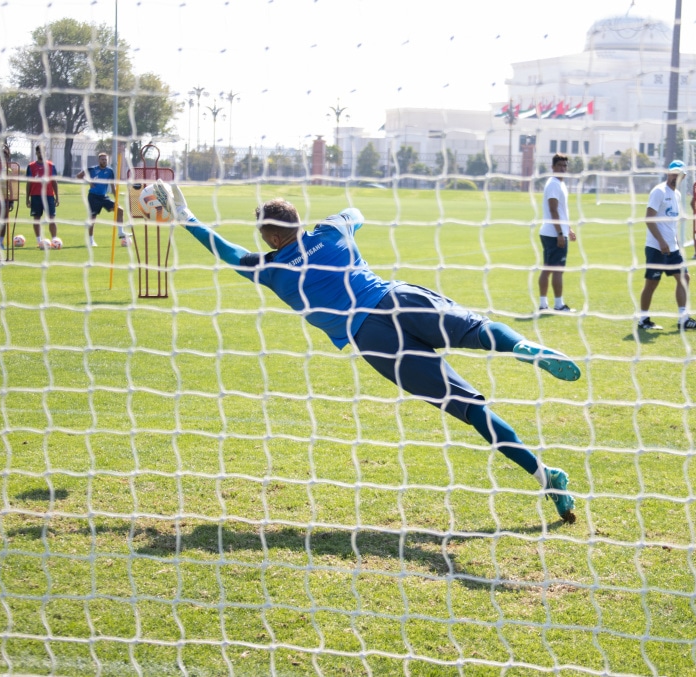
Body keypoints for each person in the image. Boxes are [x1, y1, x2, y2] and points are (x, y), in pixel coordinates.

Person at [153, 180, 581, 523]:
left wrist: (186, 217)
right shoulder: (329, 230)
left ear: (266, 235)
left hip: (374, 341)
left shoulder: (269, 269)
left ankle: (548, 477)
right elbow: (356, 213)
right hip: (395, 299)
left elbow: (225, 251)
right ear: (298, 223)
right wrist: (336, 223)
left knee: (470, 409)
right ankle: (525, 346)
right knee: (479, 328)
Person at [638, 160, 696, 332]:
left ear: (683, 176)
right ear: (668, 172)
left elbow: (671, 223)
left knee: (684, 278)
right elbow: (649, 218)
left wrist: (674, 242)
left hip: (672, 248)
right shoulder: (659, 191)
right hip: (656, 247)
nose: (675, 176)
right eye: (673, 173)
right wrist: (661, 241)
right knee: (652, 283)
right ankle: (643, 319)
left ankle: (683, 319)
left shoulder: (677, 195)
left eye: (679, 174)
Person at [537, 153, 576, 312]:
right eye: (560, 165)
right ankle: (558, 305)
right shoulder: (553, 184)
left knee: (548, 269)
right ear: (553, 167)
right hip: (553, 233)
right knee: (556, 270)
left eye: (565, 166)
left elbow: (561, 210)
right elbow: (553, 210)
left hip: (553, 231)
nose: (563, 168)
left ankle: (543, 304)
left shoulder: (560, 184)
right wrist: (560, 234)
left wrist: (568, 229)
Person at [75, 152, 124, 247]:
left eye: (105, 159)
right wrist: (88, 181)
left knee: (120, 210)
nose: (104, 161)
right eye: (102, 159)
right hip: (93, 197)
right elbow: (78, 176)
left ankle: (120, 232)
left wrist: (116, 199)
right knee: (93, 219)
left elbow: (113, 187)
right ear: (99, 160)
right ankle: (91, 240)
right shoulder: (92, 169)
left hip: (104, 197)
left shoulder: (110, 171)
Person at [25, 145, 59, 243]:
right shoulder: (31, 166)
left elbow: (54, 182)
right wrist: (27, 198)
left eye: (43, 152)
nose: (41, 154)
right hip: (35, 196)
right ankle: (38, 241)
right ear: (36, 153)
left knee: (51, 218)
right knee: (36, 218)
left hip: (49, 196)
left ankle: (54, 240)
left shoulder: (51, 166)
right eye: (39, 152)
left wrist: (57, 197)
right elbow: (29, 183)